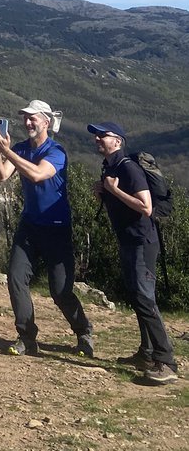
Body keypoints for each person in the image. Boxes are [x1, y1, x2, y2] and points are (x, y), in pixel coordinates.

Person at [0, 99, 93, 357]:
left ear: (46, 122)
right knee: (16, 278)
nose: (27, 122)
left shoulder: (56, 152)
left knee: (59, 290)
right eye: (25, 118)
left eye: (32, 118)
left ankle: (83, 331)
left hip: (56, 228)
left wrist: (7, 152)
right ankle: (27, 337)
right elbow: (2, 176)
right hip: (29, 225)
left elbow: (37, 174)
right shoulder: (20, 148)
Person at [89, 121, 179, 384]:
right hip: (129, 240)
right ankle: (146, 354)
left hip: (142, 242)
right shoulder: (111, 167)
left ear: (117, 141)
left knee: (144, 298)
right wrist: (103, 194)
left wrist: (114, 190)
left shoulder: (128, 168)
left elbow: (146, 207)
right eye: (96, 136)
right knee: (138, 296)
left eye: (103, 135)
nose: (97, 139)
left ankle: (166, 362)